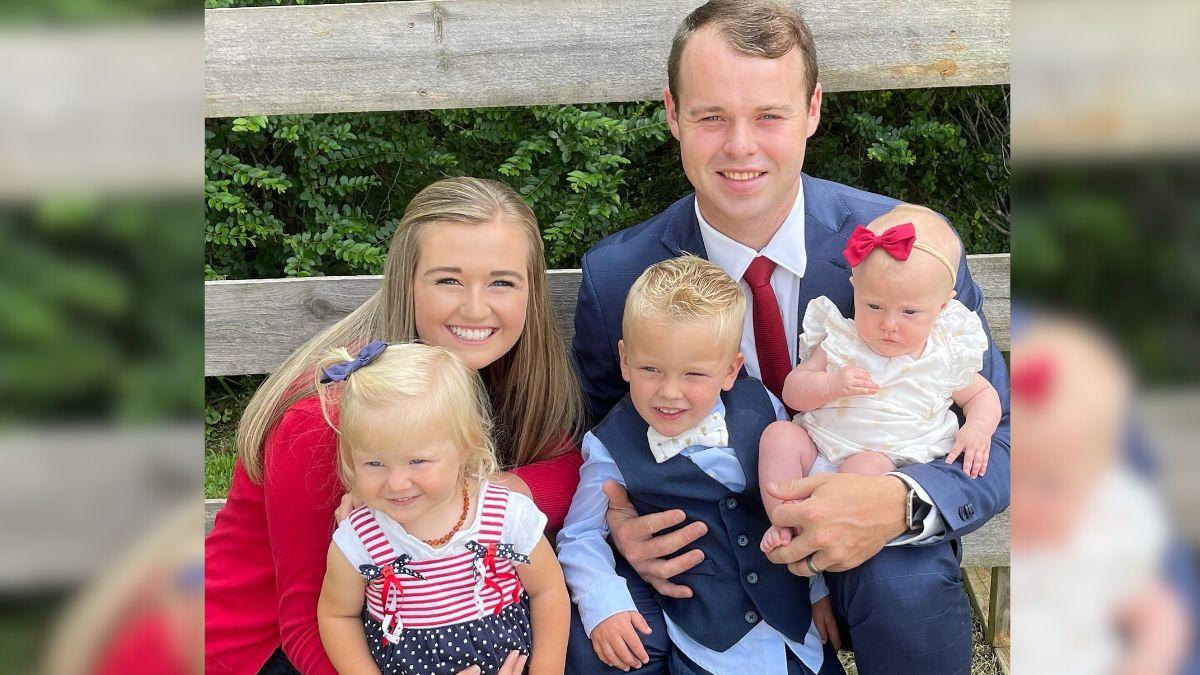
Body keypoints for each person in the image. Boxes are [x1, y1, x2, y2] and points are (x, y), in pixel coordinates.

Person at [570, 1, 1010, 671]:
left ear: (812, 111)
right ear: (672, 114)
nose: (740, 146)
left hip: (867, 524)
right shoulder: (619, 276)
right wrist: (618, 523)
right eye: (712, 115)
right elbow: (603, 433)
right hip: (706, 547)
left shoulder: (905, 253)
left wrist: (898, 504)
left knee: (907, 583)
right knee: (597, 641)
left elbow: (1006, 435)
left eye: (769, 115)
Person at [206, 177, 585, 675]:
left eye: (502, 281)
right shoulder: (333, 418)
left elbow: (571, 466)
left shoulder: (498, 374)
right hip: (261, 649)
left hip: (406, 629)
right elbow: (302, 622)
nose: (476, 307)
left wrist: (480, 487)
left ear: (531, 293)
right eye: (448, 279)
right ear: (406, 282)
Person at [557, 256, 840, 675]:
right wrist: (604, 603)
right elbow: (581, 535)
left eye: (693, 374)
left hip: (794, 637)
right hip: (706, 646)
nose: (669, 393)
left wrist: (817, 588)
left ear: (729, 371)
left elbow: (801, 503)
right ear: (624, 360)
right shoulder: (610, 444)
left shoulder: (763, 407)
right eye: (651, 369)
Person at [313, 342, 568, 675]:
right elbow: (337, 615)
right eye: (374, 463)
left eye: (417, 461)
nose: (397, 483)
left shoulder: (505, 516)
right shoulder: (361, 539)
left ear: (466, 447)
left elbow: (547, 590)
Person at [758, 206, 1002, 553]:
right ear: (854, 288)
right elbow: (793, 392)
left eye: (909, 312)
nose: (889, 324)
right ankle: (786, 520)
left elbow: (982, 396)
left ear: (943, 306)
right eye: (873, 306)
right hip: (819, 448)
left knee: (867, 464)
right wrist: (829, 385)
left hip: (880, 471)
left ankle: (821, 528)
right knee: (779, 436)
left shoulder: (942, 354)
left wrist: (977, 429)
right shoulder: (842, 341)